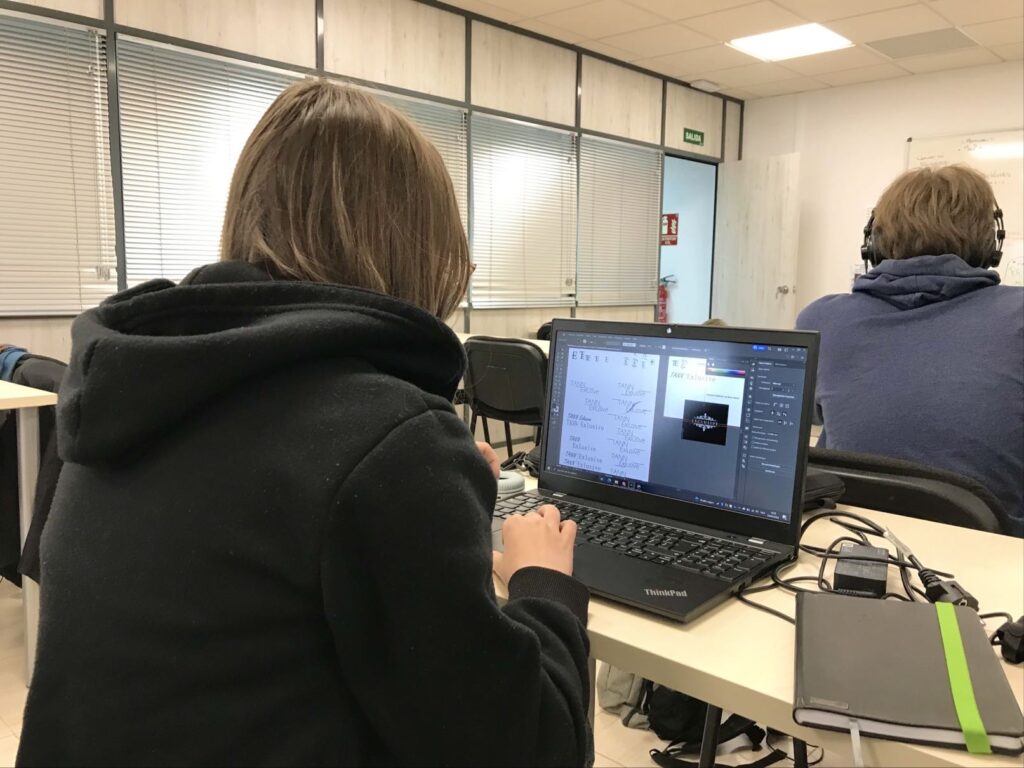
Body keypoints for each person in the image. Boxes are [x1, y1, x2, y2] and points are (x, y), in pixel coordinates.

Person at [18, 80, 591, 766]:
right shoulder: (387, 438)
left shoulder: (120, 384)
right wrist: (543, 583)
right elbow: (535, 749)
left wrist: (431, 487)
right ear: (418, 250)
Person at [797, 165, 1023, 536]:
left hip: (844, 538)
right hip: (991, 553)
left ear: (874, 242)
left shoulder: (820, 318)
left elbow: (816, 416)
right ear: (990, 245)